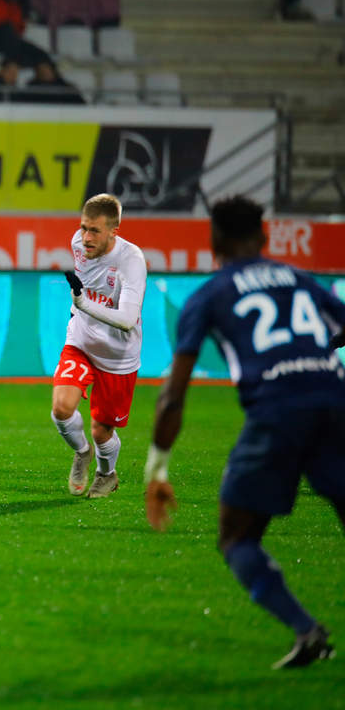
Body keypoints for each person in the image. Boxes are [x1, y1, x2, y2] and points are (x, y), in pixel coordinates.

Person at [146, 196, 345, 670]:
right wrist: (313, 351)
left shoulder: (209, 295)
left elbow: (173, 395)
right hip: (335, 403)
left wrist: (156, 469)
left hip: (276, 413)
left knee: (236, 537)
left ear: (213, 240)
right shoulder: (301, 280)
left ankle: (307, 630)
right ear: (265, 236)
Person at [50, 193, 147, 499]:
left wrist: (83, 304)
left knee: (101, 431)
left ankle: (107, 474)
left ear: (113, 232)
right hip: (80, 340)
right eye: (83, 228)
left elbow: (128, 319)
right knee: (61, 408)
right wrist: (80, 310)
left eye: (94, 231)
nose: (85, 237)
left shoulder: (131, 261)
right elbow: (85, 289)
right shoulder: (78, 245)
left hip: (117, 355)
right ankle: (81, 453)